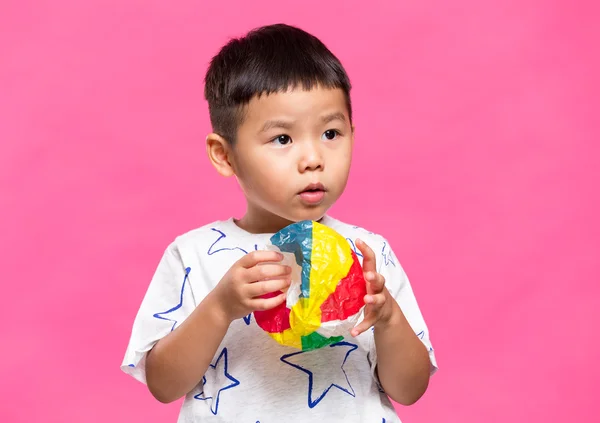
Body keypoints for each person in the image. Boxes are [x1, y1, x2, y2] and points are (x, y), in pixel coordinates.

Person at [121, 23, 437, 422]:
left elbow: (410, 390)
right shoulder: (193, 255)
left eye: (331, 132)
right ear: (225, 155)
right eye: (283, 139)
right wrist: (219, 308)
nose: (313, 158)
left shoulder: (368, 253)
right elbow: (163, 386)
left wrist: (388, 316)